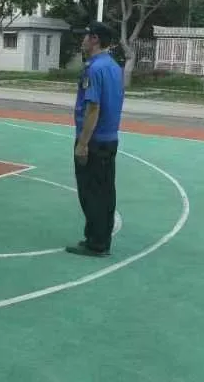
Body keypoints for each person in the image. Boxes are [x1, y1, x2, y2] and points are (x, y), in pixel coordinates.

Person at [67, 21, 124, 257]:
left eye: (86, 36)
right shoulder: (114, 66)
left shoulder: (94, 68)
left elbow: (93, 108)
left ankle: (97, 243)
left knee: (91, 193)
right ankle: (98, 237)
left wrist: (83, 144)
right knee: (105, 192)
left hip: (94, 139)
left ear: (95, 39)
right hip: (109, 138)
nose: (82, 40)